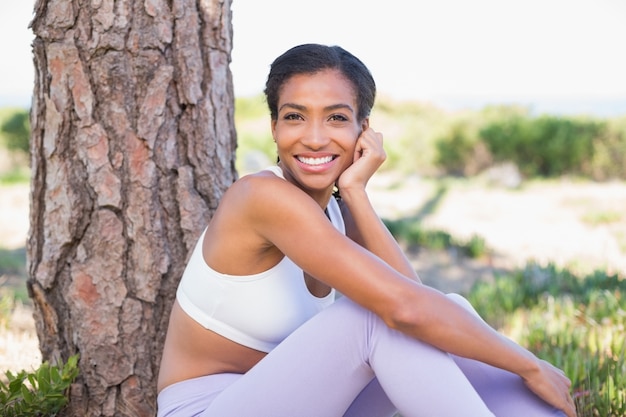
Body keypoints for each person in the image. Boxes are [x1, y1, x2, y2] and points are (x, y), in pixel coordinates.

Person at [157, 43, 576, 417]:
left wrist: (355, 191)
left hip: (305, 403)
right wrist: (529, 364)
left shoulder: (337, 210)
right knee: (372, 318)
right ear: (274, 128)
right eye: (294, 117)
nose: (315, 138)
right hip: (208, 408)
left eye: (336, 118)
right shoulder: (260, 197)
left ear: (364, 130)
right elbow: (405, 310)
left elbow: (422, 307)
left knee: (453, 307)